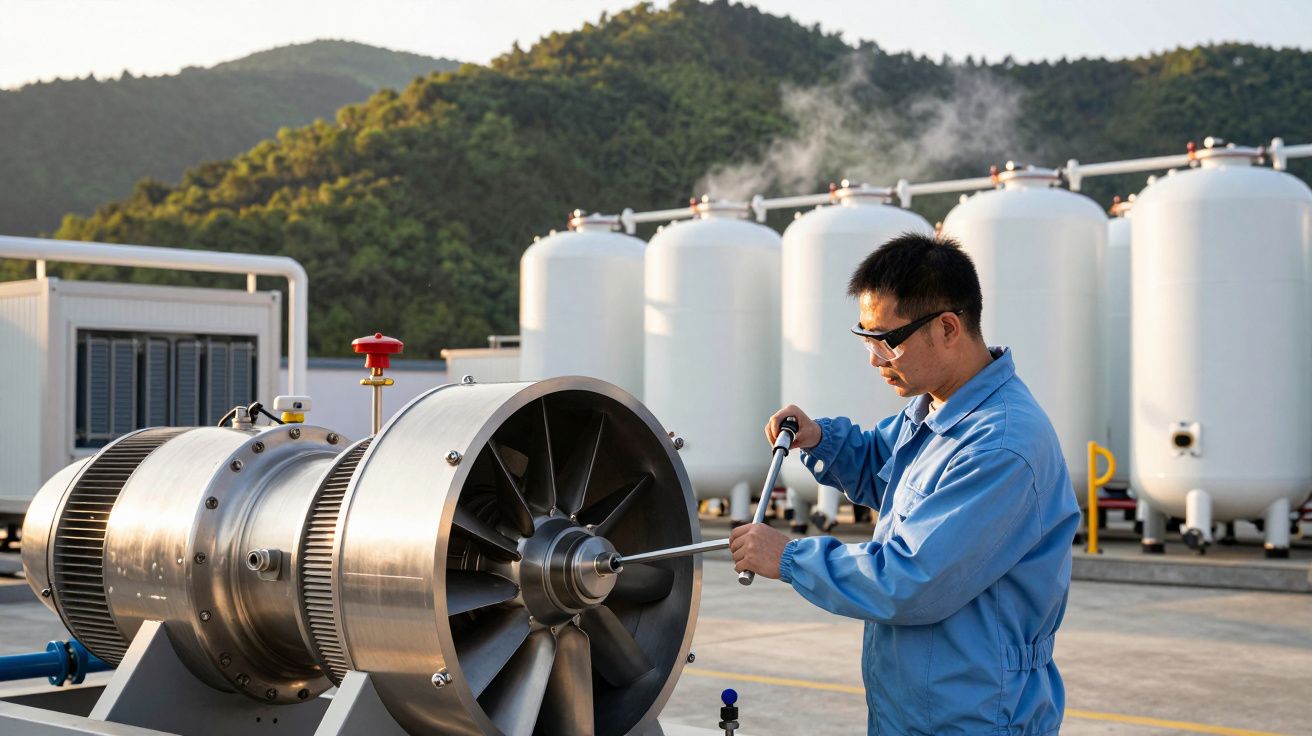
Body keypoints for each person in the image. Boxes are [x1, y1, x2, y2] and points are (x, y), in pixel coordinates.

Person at [730, 232, 1080, 735]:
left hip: (975, 714)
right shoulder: (937, 408)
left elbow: (911, 580)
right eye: (866, 338)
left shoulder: (1001, 446)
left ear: (947, 328)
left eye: (887, 340)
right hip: (915, 708)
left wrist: (788, 558)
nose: (875, 359)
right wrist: (819, 439)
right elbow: (882, 463)